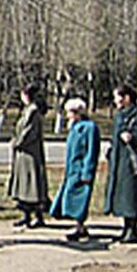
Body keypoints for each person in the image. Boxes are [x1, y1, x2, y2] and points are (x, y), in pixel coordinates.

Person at [104, 85, 137, 244]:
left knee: (131, 196)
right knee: (121, 196)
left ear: (127, 98)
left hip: (132, 164)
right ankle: (125, 228)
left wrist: (133, 137)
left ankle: (133, 230)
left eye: (118, 97)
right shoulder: (119, 115)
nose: (115, 101)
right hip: (119, 161)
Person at [50, 98, 100, 242]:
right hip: (71, 170)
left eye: (70, 112)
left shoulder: (89, 128)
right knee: (68, 198)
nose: (67, 116)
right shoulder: (74, 127)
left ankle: (80, 227)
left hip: (81, 170)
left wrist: (87, 172)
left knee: (80, 200)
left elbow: (91, 152)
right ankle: (80, 227)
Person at [8, 83, 50, 229]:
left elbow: (29, 133)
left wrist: (18, 143)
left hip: (30, 153)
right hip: (23, 154)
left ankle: (38, 216)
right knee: (23, 185)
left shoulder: (33, 111)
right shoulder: (27, 110)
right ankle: (25, 214)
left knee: (33, 185)